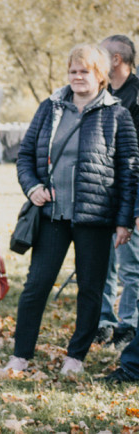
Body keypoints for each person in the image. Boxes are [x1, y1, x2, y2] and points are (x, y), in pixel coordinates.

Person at [2, 43, 137, 376]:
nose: (78, 77)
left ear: (100, 76)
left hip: (96, 219)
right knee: (36, 286)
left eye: (85, 71)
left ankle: (75, 358)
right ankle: (20, 355)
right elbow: (24, 156)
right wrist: (33, 187)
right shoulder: (50, 108)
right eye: (73, 71)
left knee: (91, 291)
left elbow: (129, 172)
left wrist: (124, 222)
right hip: (52, 216)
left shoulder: (117, 114)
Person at [95, 35, 139, 351]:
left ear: (116, 60)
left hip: (132, 188)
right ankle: (103, 323)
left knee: (131, 264)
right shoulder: (98, 93)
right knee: (101, 262)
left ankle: (129, 324)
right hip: (100, 189)